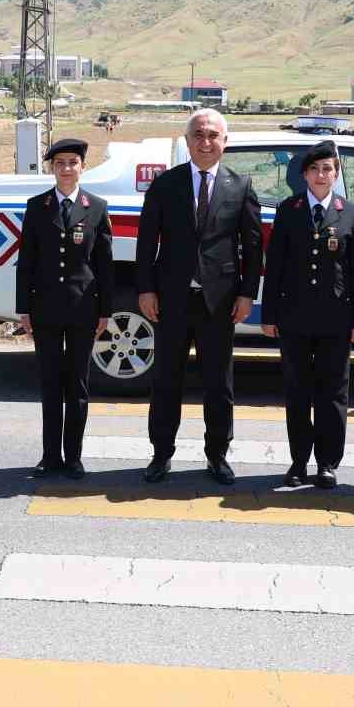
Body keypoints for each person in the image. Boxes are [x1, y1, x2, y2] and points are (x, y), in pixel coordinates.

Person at [135, 108, 263, 485]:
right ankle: (161, 454)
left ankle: (218, 455)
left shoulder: (240, 186)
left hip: (220, 302)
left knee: (218, 384)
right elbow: (146, 243)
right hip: (171, 299)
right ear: (187, 141)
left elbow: (252, 247)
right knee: (166, 381)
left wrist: (246, 294)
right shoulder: (165, 184)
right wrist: (145, 288)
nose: (205, 142)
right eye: (198, 135)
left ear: (225, 142)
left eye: (213, 136)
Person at [259, 139, 354, 489]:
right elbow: (274, 264)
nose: (322, 175)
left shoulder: (350, 211)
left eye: (329, 169)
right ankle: (298, 462)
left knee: (333, 393)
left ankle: (327, 463)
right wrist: (270, 313)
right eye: (316, 169)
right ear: (304, 174)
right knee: (297, 391)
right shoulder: (288, 209)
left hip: (336, 318)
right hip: (294, 317)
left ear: (336, 175)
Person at [16, 138, 114, 480]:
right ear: (52, 168)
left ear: (82, 167)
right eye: (60, 163)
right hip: (44, 308)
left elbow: (104, 264)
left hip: (83, 309)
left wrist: (106, 311)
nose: (67, 169)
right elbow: (25, 261)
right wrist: (23, 309)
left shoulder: (97, 207)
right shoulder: (36, 206)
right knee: (49, 383)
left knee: (77, 384)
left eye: (73, 162)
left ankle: (73, 456)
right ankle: (49, 455)